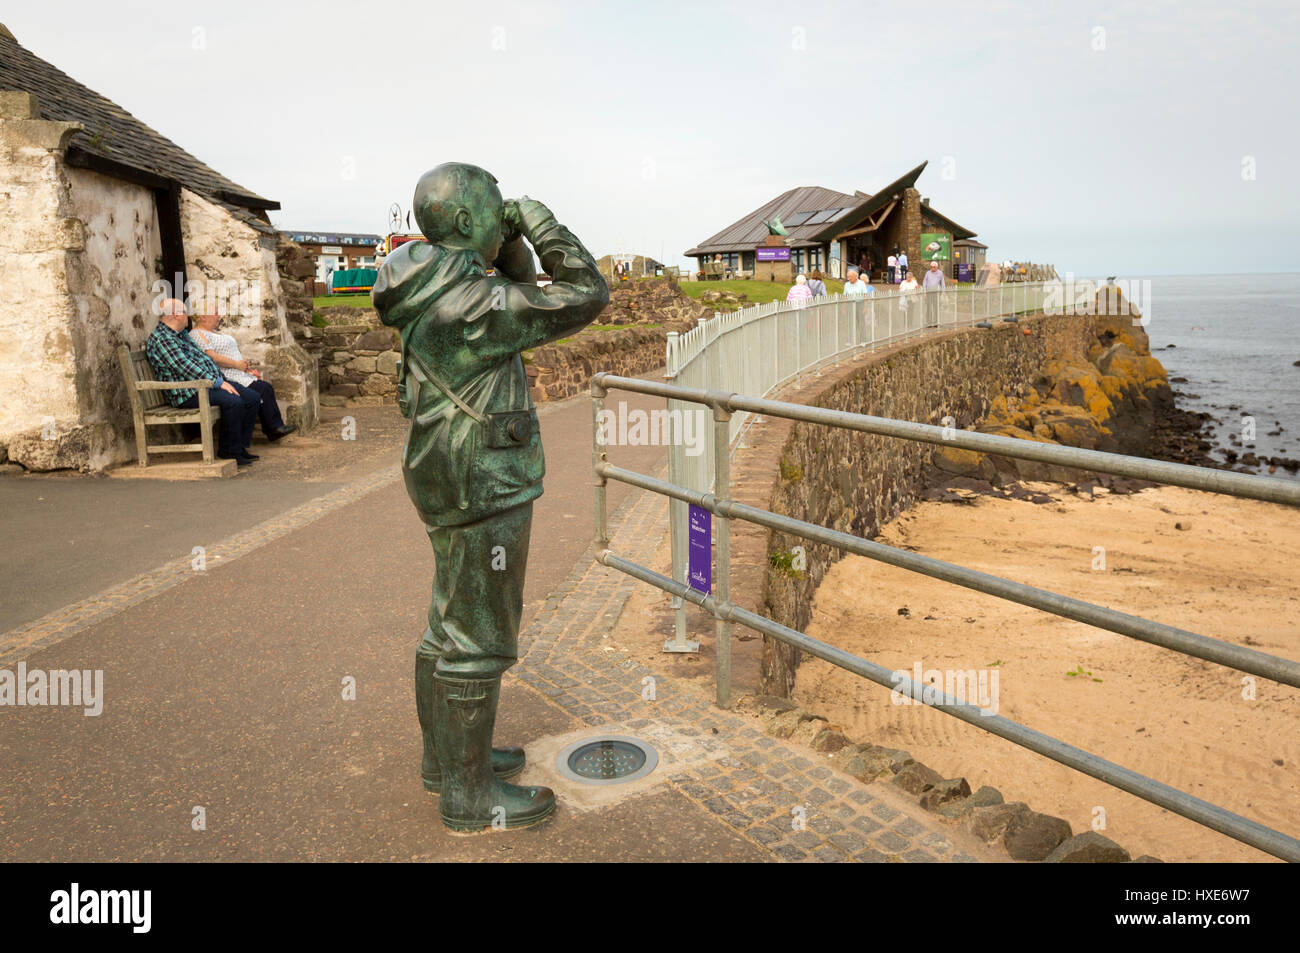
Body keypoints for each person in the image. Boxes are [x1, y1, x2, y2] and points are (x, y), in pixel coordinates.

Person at [373, 163, 608, 833]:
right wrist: (537, 222)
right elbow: (585, 294)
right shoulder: (473, 305)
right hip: (484, 479)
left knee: (446, 618)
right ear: (472, 223)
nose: (506, 214)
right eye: (496, 208)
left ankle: (447, 762)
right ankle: (470, 797)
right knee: (478, 635)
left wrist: (501, 246)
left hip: (443, 470)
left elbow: (511, 280)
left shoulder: (425, 284)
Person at [144, 298, 260, 465]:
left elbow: (203, 359)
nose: (188, 316)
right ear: (176, 314)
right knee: (234, 401)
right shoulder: (162, 339)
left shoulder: (180, 335)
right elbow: (185, 367)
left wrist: (221, 379)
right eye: (185, 312)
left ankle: (239, 446)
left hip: (205, 385)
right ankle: (229, 451)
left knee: (252, 398)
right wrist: (218, 382)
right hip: (187, 392)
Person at [189, 311, 297, 441]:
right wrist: (236, 365)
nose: (219, 316)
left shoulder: (215, 332)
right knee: (261, 389)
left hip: (238, 371)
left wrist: (247, 370)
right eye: (216, 313)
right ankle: (270, 430)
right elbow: (212, 357)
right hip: (226, 374)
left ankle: (273, 429)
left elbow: (232, 353)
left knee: (264, 387)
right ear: (203, 317)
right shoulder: (196, 334)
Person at [922, 260, 946, 327]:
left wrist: (943, 291)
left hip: (936, 292)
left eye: (934, 267)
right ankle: (929, 322)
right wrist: (924, 292)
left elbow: (942, 282)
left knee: (936, 308)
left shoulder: (940, 273)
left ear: (937, 267)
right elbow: (924, 282)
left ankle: (935, 322)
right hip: (929, 292)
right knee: (929, 308)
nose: (932, 268)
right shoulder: (928, 273)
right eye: (931, 267)